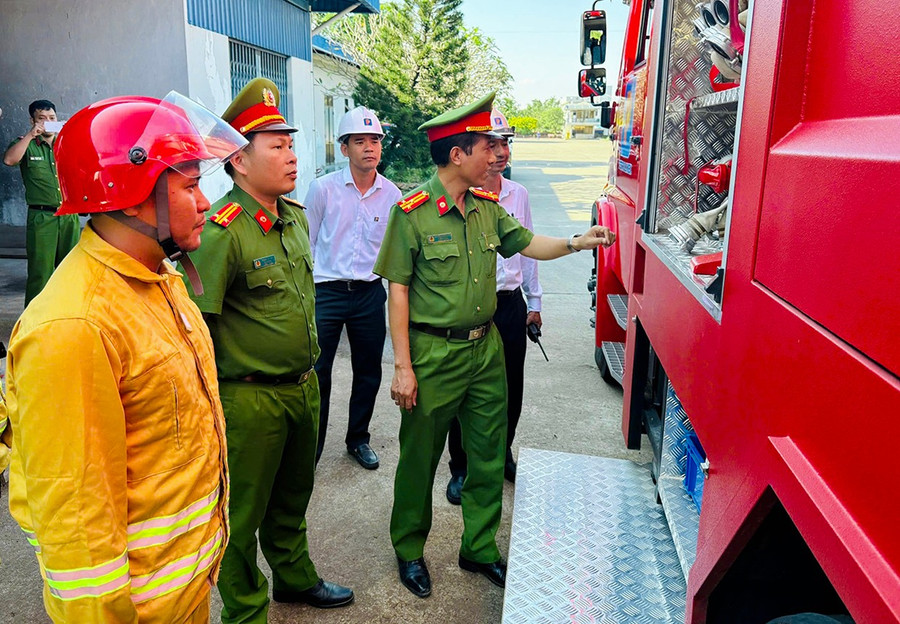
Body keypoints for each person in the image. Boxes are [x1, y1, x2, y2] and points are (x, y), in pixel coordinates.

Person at [3, 92, 245, 622]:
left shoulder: (159, 275)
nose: (206, 202)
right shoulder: (74, 327)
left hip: (184, 593)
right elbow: (79, 538)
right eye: (190, 185)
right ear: (133, 196)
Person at [374, 91, 616, 598]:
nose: (497, 154)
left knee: (487, 454)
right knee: (420, 458)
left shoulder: (487, 207)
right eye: (487, 145)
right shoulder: (411, 214)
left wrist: (576, 241)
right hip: (432, 354)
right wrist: (403, 366)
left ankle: (479, 547)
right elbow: (397, 290)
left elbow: (528, 243)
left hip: (486, 352)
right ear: (457, 154)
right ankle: (410, 549)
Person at [184, 78, 353, 624]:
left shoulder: (293, 217)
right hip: (249, 400)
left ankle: (294, 578)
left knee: (292, 498)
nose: (291, 156)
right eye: (275, 146)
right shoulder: (220, 232)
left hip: (303, 388)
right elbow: (198, 329)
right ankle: (246, 609)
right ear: (237, 161)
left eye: (291, 144)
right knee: (241, 514)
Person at [445, 108, 541, 505]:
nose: (501, 152)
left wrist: (534, 303)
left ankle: (501, 454)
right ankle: (461, 466)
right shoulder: (463, 195)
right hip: (471, 308)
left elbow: (529, 251)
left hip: (509, 306)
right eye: (493, 144)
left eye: (505, 144)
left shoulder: (518, 195)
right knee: (462, 391)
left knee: (510, 387)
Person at [304, 106, 401, 469]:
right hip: (326, 292)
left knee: (368, 371)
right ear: (344, 148)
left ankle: (358, 439)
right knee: (318, 371)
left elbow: (392, 252)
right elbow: (308, 245)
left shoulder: (391, 195)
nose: (369, 148)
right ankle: (311, 447)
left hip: (368, 295)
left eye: (374, 140)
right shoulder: (323, 190)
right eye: (359, 141)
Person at [3, 100, 81, 305]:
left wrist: (70, 131)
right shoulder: (26, 144)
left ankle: (67, 317)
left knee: (71, 271)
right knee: (41, 273)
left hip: (68, 216)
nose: (48, 122)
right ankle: (34, 325)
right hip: (42, 217)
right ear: (33, 121)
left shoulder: (66, 144)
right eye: (42, 119)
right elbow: (10, 160)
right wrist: (31, 135)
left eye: (52, 118)